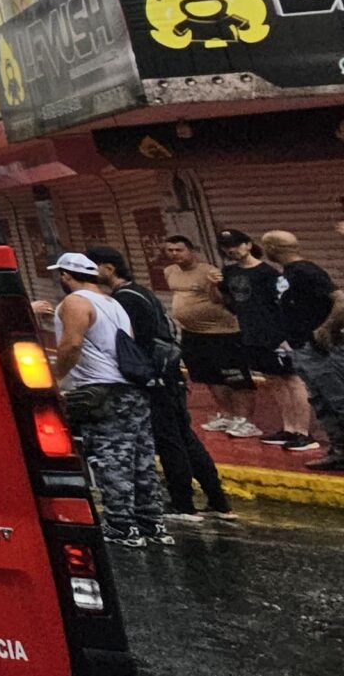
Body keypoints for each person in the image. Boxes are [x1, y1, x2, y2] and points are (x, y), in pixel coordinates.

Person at [88, 245, 230, 521]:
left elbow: (132, 343)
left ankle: (183, 504)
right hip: (169, 375)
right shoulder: (139, 293)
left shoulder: (125, 299)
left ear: (109, 268)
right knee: (184, 437)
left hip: (154, 377)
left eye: (94, 267)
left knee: (168, 439)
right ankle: (218, 501)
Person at [46, 252, 168, 546]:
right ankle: (151, 523)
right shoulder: (112, 302)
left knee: (111, 458)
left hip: (101, 390)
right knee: (140, 459)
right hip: (130, 388)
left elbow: (71, 344)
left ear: (66, 276)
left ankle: (121, 525)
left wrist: (55, 378)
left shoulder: (75, 302)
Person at [220, 229, 319, 450]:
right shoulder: (229, 273)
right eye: (226, 246)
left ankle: (304, 432)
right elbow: (227, 301)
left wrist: (284, 336)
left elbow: (283, 305)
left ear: (248, 245)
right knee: (273, 381)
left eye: (236, 244)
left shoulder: (268, 273)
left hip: (276, 335)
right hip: (251, 334)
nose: (231, 250)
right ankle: (289, 427)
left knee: (292, 381)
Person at [260, 229, 344, 466]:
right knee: (322, 401)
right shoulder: (289, 273)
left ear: (273, 248)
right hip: (302, 347)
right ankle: (339, 451)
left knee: (338, 400)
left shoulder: (307, 271)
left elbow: (340, 300)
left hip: (320, 349)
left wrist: (325, 329)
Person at [159, 234, 255, 437]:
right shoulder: (170, 272)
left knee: (235, 377)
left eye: (179, 250)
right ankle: (226, 414)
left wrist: (213, 285)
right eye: (170, 250)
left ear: (191, 251)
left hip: (222, 333)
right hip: (193, 334)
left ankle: (245, 420)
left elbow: (222, 300)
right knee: (209, 376)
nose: (175, 254)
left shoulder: (209, 272)